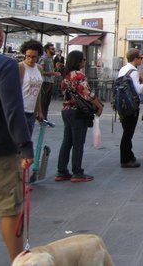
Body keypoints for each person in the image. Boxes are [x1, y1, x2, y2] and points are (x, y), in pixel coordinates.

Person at [0, 17, 34, 262]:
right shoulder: (4, 65)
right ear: (1, 38)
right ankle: (17, 260)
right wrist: (26, 147)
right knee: (9, 208)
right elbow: (12, 110)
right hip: (0, 150)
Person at [56, 50, 103, 183]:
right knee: (78, 142)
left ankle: (61, 170)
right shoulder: (79, 75)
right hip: (77, 111)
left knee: (67, 141)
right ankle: (77, 172)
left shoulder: (65, 75)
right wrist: (99, 105)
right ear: (78, 61)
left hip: (66, 109)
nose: (84, 61)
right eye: (83, 59)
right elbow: (87, 93)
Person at [117, 48, 143, 168]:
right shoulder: (134, 72)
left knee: (126, 131)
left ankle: (129, 155)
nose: (142, 60)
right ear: (135, 59)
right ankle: (125, 159)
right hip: (131, 105)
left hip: (121, 104)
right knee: (128, 133)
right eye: (140, 58)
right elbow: (138, 89)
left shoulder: (123, 69)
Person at [19, 39, 44, 137]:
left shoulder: (39, 68)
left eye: (34, 57)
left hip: (32, 111)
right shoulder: (20, 67)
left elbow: (38, 92)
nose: (30, 59)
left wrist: (40, 111)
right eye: (28, 56)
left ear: (38, 56)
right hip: (20, 110)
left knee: (28, 139)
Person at [38, 43, 60, 120]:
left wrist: (55, 69)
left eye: (54, 49)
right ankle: (42, 118)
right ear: (47, 50)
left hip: (50, 81)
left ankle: (45, 118)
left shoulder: (51, 59)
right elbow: (41, 71)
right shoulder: (44, 58)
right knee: (43, 101)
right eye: (52, 49)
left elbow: (50, 70)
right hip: (45, 82)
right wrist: (53, 73)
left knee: (47, 101)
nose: (54, 50)